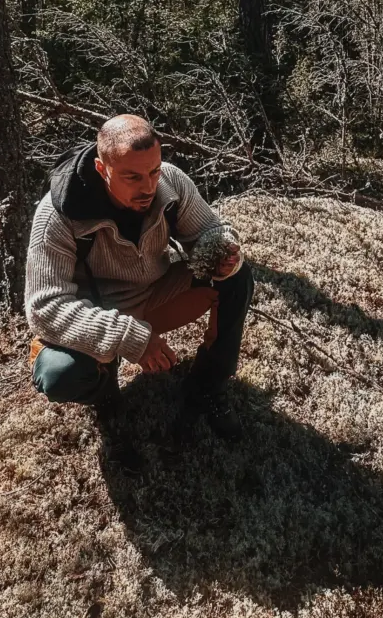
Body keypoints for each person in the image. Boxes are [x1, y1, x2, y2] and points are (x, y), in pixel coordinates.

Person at [24, 114, 254, 450]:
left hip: (156, 295)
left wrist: (221, 250)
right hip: (95, 315)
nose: (148, 187)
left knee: (237, 278)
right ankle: (104, 396)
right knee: (59, 375)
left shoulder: (170, 183)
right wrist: (128, 338)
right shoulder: (57, 215)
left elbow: (208, 230)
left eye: (153, 171)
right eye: (132, 177)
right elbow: (45, 307)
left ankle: (210, 385)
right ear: (103, 169)